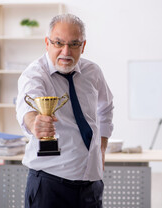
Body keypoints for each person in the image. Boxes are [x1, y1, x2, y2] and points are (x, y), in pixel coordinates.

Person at [16, 13, 114, 208]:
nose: (65, 51)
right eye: (59, 43)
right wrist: (35, 122)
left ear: (83, 46)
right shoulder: (35, 74)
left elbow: (106, 106)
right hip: (49, 184)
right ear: (47, 43)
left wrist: (102, 145)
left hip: (91, 185)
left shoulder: (93, 72)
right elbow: (27, 107)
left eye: (74, 44)